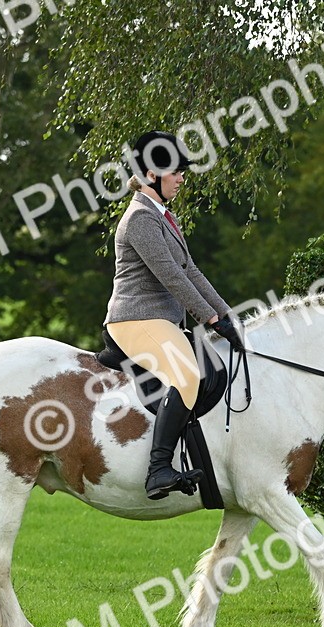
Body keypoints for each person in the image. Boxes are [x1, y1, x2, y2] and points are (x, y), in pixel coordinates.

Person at [104, 130, 245, 500]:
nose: (183, 178)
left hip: (160, 321)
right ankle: (158, 470)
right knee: (186, 375)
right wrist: (210, 319)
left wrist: (227, 315)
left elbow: (192, 271)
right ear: (152, 173)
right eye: (177, 171)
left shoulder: (163, 216)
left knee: (209, 371)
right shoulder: (140, 219)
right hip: (135, 319)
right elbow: (171, 276)